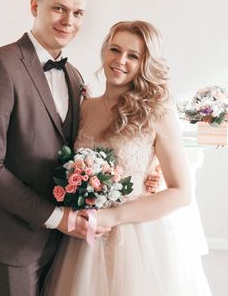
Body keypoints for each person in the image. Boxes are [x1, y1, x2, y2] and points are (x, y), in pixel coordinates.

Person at [42, 21, 212, 296]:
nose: (120, 60)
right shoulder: (84, 107)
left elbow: (181, 192)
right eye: (115, 50)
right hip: (83, 237)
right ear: (104, 52)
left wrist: (114, 216)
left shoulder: (157, 114)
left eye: (133, 56)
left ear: (146, 63)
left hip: (137, 240)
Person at [0, 0, 98, 296]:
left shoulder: (74, 76)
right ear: (35, 6)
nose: (68, 21)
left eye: (77, 13)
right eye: (58, 8)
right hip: (7, 240)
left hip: (61, 242)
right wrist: (55, 217)